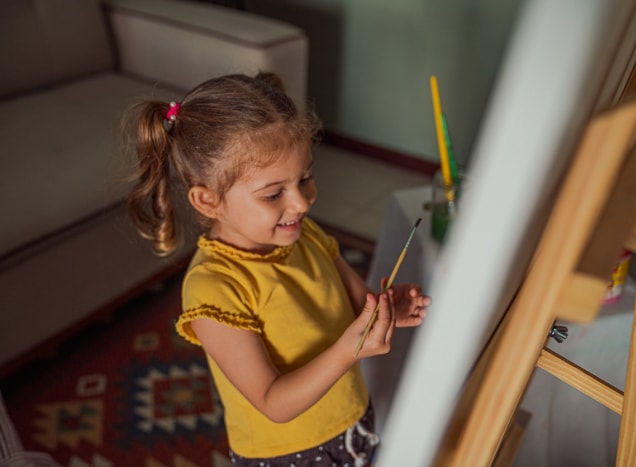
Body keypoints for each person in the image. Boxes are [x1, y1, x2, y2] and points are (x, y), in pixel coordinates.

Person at [124, 72, 430, 466]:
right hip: (288, 455)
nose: (301, 203)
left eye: (305, 178)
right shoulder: (213, 286)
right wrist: (350, 351)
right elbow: (272, 402)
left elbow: (359, 308)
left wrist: (385, 308)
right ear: (208, 201)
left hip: (353, 420)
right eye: (273, 193)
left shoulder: (306, 235)